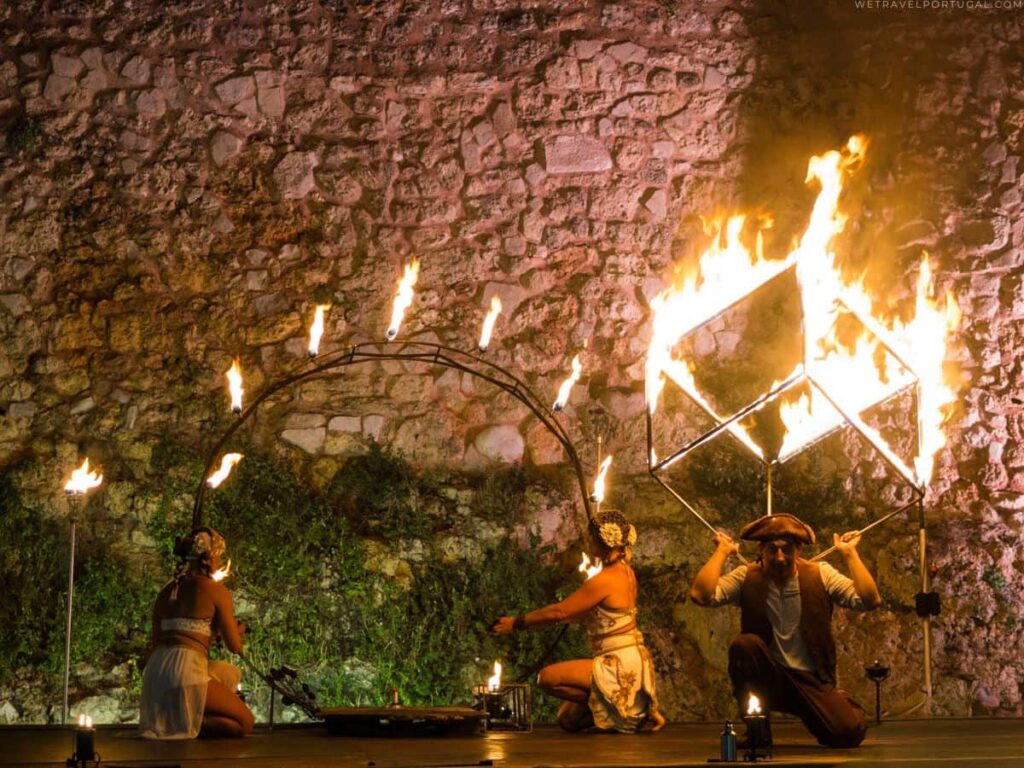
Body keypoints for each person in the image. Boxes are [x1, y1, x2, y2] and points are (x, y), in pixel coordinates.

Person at [690, 513, 881, 748]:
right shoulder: (746, 576)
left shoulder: (820, 573)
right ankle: (757, 729)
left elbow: (870, 600)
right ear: (761, 550)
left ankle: (841, 703)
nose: (780, 557)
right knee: (745, 646)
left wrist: (850, 553)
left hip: (810, 681)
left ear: (798, 550)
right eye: (772, 550)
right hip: (769, 678)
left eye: (787, 549)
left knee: (846, 735)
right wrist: (722, 552)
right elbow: (701, 595)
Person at [492, 510, 664, 733]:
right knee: (567, 720)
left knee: (547, 678)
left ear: (602, 542)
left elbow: (559, 612)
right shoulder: (627, 572)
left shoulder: (605, 580)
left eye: (591, 537)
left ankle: (620, 711)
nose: (588, 541)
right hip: (630, 657)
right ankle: (618, 710)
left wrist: (517, 623)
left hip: (620, 662)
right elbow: (601, 615)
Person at [139, 527, 255, 739]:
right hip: (184, 670)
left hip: (157, 672)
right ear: (210, 558)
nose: (220, 562)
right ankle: (188, 720)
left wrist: (210, 635)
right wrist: (238, 631)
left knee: (228, 672)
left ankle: (179, 717)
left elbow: (162, 640)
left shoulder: (166, 592)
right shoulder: (216, 591)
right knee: (245, 722)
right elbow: (235, 646)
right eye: (219, 556)